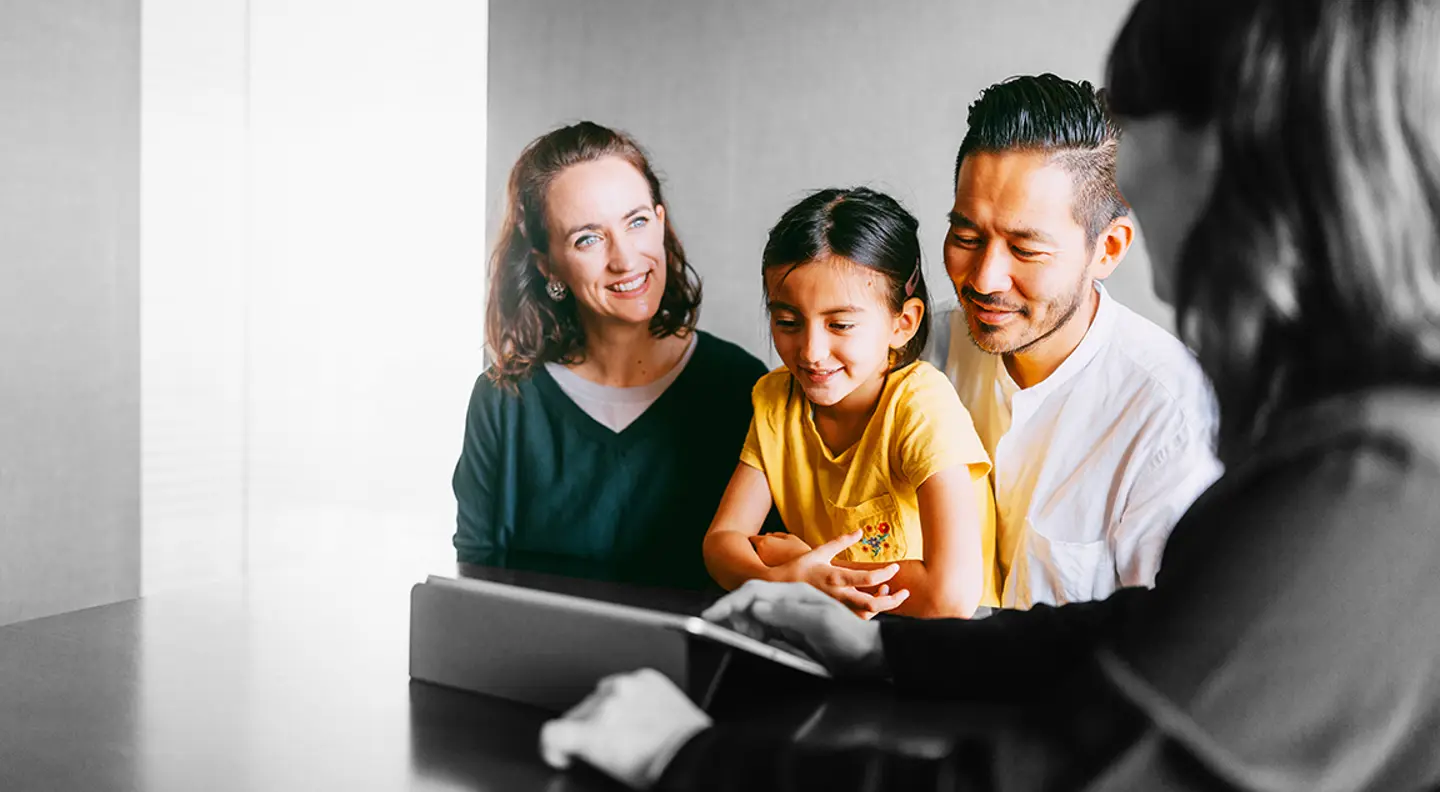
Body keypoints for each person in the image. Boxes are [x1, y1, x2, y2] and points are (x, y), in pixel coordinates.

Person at [538, 0, 1440, 788]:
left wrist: (685, 760)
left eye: (1189, 243)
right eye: (964, 237)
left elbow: (1090, 764)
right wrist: (889, 649)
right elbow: (1150, 626)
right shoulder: (1355, 448)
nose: (1182, 287)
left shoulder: (1373, 480)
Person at [928, 73, 1221, 608]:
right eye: (966, 238)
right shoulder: (924, 351)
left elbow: (1163, 636)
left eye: (1025, 249)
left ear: (1107, 249)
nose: (984, 278)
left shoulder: (1170, 416)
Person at [452, 121, 768, 591]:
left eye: (637, 221)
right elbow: (474, 589)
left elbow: (765, 583)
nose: (624, 259)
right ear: (547, 264)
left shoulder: (742, 388)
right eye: (588, 238)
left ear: (661, 222)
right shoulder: (504, 403)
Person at [701, 187, 998, 619]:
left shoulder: (920, 405)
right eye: (787, 322)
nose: (811, 351)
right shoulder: (775, 399)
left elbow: (950, 596)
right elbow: (722, 541)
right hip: (832, 631)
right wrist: (786, 579)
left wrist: (815, 570)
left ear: (904, 324)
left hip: (940, 650)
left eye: (840, 325)